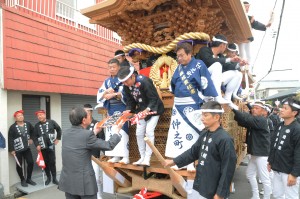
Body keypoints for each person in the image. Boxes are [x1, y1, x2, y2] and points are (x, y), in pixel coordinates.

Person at [163, 101, 237, 199]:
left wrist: (220, 194)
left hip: (214, 189)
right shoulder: (204, 134)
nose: (202, 118)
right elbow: (192, 152)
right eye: (202, 115)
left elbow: (228, 168)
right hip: (201, 184)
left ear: (216, 117)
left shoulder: (225, 139)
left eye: (205, 115)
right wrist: (173, 161)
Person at [164, 42, 218, 171]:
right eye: (178, 56)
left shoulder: (199, 65)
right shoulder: (178, 68)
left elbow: (206, 84)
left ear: (190, 54)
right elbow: (172, 86)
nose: (180, 58)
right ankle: (177, 161)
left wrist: (208, 104)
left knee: (191, 134)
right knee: (178, 133)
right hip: (178, 105)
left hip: (192, 104)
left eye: (182, 55)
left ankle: (190, 162)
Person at [58, 106, 122, 199]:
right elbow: (108, 145)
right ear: (84, 120)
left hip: (68, 181)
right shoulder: (87, 135)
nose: (90, 116)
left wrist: (94, 132)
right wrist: (116, 132)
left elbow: (81, 141)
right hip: (84, 183)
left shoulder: (66, 133)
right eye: (88, 115)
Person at [117, 64, 164, 166]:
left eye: (126, 81)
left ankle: (147, 158)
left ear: (132, 76)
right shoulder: (126, 86)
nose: (125, 83)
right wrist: (128, 109)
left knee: (149, 131)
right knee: (139, 133)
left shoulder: (144, 81)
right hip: (141, 111)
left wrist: (147, 110)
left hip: (154, 109)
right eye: (123, 82)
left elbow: (154, 98)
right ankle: (142, 157)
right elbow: (130, 102)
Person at [231, 101, 272, 199]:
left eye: (257, 108)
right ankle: (256, 195)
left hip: (262, 154)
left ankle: (266, 197)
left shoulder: (261, 120)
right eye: (253, 108)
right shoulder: (255, 120)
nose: (254, 109)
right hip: (255, 153)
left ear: (263, 111)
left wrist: (233, 107)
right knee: (250, 174)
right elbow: (242, 120)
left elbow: (247, 118)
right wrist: (236, 111)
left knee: (265, 179)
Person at [97, 59, 130, 164]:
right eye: (110, 67)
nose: (111, 69)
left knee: (122, 131)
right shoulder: (106, 81)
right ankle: (115, 155)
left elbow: (126, 94)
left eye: (113, 67)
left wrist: (115, 94)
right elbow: (100, 96)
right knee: (112, 132)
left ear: (118, 67)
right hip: (111, 109)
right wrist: (106, 92)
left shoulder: (122, 79)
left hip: (122, 108)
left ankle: (125, 156)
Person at [195, 34, 244, 106]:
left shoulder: (220, 56)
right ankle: (217, 96)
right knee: (217, 65)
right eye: (225, 45)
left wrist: (239, 65)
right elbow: (209, 61)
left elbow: (227, 66)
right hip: (202, 78)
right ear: (222, 45)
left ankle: (228, 98)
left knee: (237, 73)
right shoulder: (205, 50)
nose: (225, 48)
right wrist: (229, 59)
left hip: (214, 80)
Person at [268, 98, 300, 199]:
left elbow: (298, 153)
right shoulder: (280, 125)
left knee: (291, 197)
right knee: (277, 195)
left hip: (289, 171)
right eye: (282, 107)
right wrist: (270, 161)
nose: (281, 109)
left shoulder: (297, 129)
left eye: (285, 108)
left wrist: (294, 174)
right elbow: (274, 144)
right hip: (277, 168)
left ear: (294, 112)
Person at [239, 1, 273, 74]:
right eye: (246, 6)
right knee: (242, 54)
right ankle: (241, 68)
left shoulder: (250, 17)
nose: (247, 8)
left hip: (247, 38)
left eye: (248, 6)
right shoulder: (238, 15)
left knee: (249, 55)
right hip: (240, 37)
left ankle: (248, 69)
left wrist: (265, 26)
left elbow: (256, 24)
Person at [33, 110, 62, 185]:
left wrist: (58, 138)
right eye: (38, 115)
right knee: (45, 163)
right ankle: (48, 178)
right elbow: (34, 137)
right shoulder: (36, 126)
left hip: (51, 145)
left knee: (52, 162)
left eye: (41, 115)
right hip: (42, 147)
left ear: (44, 115)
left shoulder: (52, 122)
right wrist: (37, 145)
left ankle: (54, 178)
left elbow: (59, 129)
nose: (39, 116)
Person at [8, 110, 36, 187]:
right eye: (18, 116)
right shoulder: (12, 127)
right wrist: (12, 149)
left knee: (30, 162)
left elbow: (33, 131)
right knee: (19, 165)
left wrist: (31, 138)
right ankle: (22, 179)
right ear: (15, 118)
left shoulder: (28, 124)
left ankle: (29, 179)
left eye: (21, 115)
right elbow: (10, 138)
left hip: (26, 148)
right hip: (17, 149)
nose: (21, 117)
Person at [84, 104, 103, 199]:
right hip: (83, 156)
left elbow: (102, 140)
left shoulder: (97, 123)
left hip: (94, 156)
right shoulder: (82, 125)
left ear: (91, 112)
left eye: (87, 111)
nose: (85, 113)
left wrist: (105, 154)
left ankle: (98, 195)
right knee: (85, 178)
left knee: (96, 177)